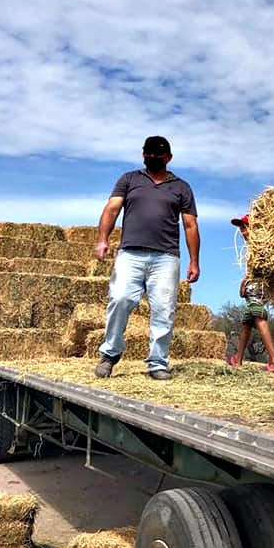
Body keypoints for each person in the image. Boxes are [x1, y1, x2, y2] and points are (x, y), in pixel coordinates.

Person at [92, 136, 200, 380]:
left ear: (168, 157)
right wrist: (102, 240)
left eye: (157, 154)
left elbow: (190, 225)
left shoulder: (181, 187)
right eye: (148, 153)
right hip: (130, 253)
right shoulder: (129, 179)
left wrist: (194, 261)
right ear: (143, 155)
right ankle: (109, 355)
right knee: (120, 300)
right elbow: (111, 209)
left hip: (166, 257)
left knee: (163, 309)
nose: (152, 157)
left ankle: (157, 363)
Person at [229, 214, 274, 373]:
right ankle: (238, 359)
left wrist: (251, 280)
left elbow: (265, 266)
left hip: (258, 287)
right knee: (247, 322)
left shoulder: (259, 245)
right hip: (253, 286)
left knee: (258, 317)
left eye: (245, 228)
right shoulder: (251, 247)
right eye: (241, 228)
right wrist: (244, 282)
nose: (242, 231)